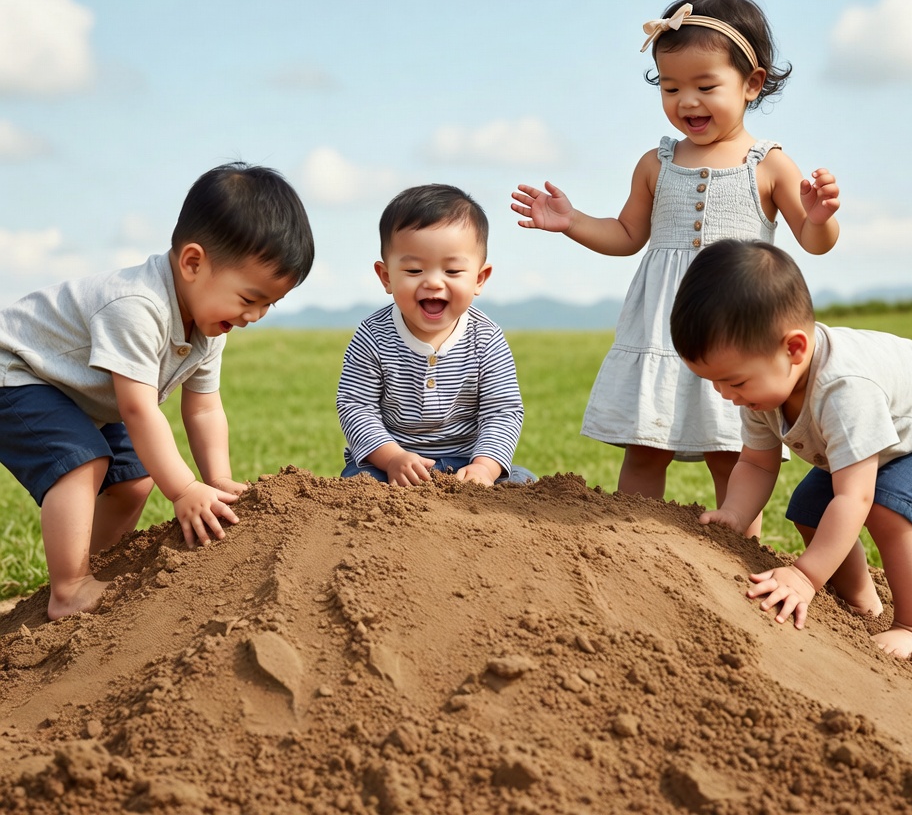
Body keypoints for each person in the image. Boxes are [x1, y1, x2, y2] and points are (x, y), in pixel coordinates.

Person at [511, 0, 840, 534]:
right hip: (664, 324)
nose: (687, 101)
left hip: (737, 323)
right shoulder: (655, 163)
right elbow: (625, 234)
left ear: (752, 84)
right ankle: (630, 543)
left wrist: (820, 214)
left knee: (733, 454)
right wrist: (571, 222)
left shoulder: (769, 164)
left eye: (706, 86)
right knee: (644, 446)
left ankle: (742, 552)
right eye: (670, 87)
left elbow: (813, 239)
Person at [0, 162, 315, 620]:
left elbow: (204, 408)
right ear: (193, 262)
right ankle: (69, 589)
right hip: (18, 371)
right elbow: (138, 409)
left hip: (77, 390)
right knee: (83, 462)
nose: (256, 315)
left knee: (135, 479)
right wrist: (184, 488)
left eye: (270, 304)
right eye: (249, 298)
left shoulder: (211, 326)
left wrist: (216, 479)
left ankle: (91, 567)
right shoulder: (136, 306)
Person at [670, 238, 912, 661]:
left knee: (887, 505)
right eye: (713, 381)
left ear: (794, 349)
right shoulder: (762, 388)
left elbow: (855, 496)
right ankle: (862, 600)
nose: (724, 394)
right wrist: (735, 512)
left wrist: (805, 576)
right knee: (809, 505)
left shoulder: (844, 391)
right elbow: (755, 462)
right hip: (891, 439)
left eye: (733, 381)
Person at [337, 184, 534, 487]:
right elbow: (356, 406)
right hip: (391, 462)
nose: (433, 282)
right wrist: (391, 458)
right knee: (360, 483)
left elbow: (502, 410)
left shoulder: (487, 339)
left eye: (452, 271)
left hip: (467, 461)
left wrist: (485, 467)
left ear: (479, 278)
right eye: (414, 270)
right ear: (386, 276)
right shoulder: (372, 335)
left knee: (521, 481)